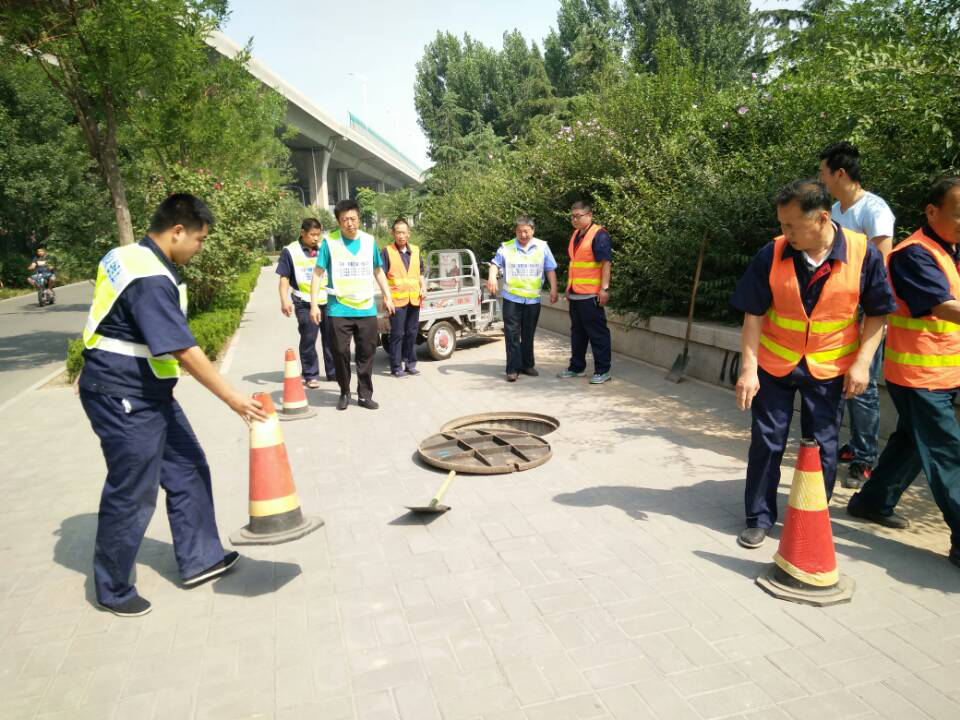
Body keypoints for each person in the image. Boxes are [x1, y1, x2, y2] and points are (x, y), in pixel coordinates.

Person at [78, 193, 267, 617]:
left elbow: (111, 318)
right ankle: (113, 589)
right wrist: (233, 399)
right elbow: (181, 348)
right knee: (132, 490)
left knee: (188, 467)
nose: (200, 248)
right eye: (199, 239)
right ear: (177, 231)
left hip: (147, 390)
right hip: (123, 395)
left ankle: (202, 559)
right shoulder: (148, 278)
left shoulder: (128, 255)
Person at [731, 179, 896, 549]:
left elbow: (877, 313)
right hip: (776, 363)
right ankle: (759, 517)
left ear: (822, 218)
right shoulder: (772, 253)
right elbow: (753, 314)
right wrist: (748, 369)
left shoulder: (862, 253)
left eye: (792, 226)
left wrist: (862, 363)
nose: (785, 233)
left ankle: (810, 520)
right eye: (782, 224)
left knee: (821, 446)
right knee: (767, 441)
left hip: (829, 366)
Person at [848, 177, 960, 568]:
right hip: (918, 377)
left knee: (912, 443)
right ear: (932, 211)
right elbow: (943, 306)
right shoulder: (913, 255)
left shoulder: (951, 250)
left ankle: (872, 502)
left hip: (943, 374)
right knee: (947, 454)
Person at [819, 141, 897, 489]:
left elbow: (882, 267)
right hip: (839, 310)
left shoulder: (874, 209)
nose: (821, 179)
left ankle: (865, 459)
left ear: (839, 173)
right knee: (842, 381)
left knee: (862, 386)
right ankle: (853, 445)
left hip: (867, 310)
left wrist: (871, 314)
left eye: (823, 172)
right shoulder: (835, 210)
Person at [310, 198, 394, 410]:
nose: (350, 223)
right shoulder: (330, 243)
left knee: (367, 352)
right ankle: (345, 391)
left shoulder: (368, 241)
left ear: (359, 218)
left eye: (353, 218)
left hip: (366, 308)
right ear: (338, 221)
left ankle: (364, 395)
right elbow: (317, 274)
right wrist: (314, 305)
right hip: (338, 308)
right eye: (345, 219)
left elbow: (378, 270)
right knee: (340, 352)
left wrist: (388, 296)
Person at [486, 215, 559, 381]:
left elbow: (550, 269)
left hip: (532, 300)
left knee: (528, 334)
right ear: (515, 231)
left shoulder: (542, 247)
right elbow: (495, 264)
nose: (523, 235)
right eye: (520, 231)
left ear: (533, 230)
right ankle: (512, 369)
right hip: (512, 299)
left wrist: (554, 289)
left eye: (526, 231)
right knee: (512, 334)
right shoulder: (506, 247)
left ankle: (527, 364)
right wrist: (491, 277)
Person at [557, 200, 613, 384]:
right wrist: (569, 288)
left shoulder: (599, 234)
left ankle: (603, 371)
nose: (574, 219)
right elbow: (575, 265)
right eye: (572, 216)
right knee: (578, 333)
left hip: (591, 295)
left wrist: (604, 289)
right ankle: (576, 367)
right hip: (576, 294)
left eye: (578, 216)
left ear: (589, 215)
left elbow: (606, 263)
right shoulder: (575, 235)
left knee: (597, 334)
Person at [277, 218, 336, 387]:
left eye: (318, 234)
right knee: (309, 339)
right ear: (302, 233)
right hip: (304, 302)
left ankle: (333, 372)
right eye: (312, 235)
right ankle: (310, 374)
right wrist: (284, 300)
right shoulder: (290, 251)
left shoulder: (325, 248)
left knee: (331, 339)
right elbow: (284, 278)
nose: (316, 238)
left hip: (327, 300)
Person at [382, 218, 426, 377]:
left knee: (412, 333)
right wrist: (386, 298)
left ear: (409, 233)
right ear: (393, 233)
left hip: (414, 299)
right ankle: (396, 367)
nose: (401, 236)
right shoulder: (387, 252)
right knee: (397, 334)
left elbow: (420, 273)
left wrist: (424, 287)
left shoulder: (416, 250)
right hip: (397, 301)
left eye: (404, 232)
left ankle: (410, 364)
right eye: (398, 232)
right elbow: (381, 275)